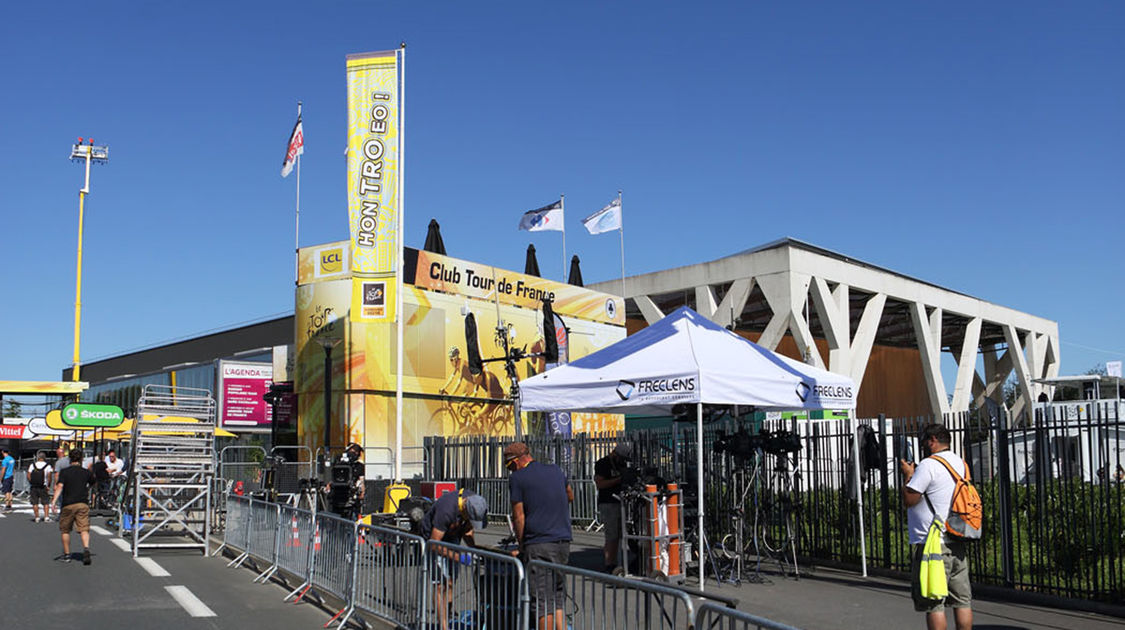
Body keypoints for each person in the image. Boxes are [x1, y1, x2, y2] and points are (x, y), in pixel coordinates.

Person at [899, 424, 972, 630]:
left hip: (932, 543)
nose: (923, 445)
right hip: (956, 537)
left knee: (934, 602)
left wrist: (908, 474)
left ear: (932, 440)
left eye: (924, 441)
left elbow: (910, 499)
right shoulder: (960, 463)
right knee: (962, 600)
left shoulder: (929, 465)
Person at [506, 442, 574, 630]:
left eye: (510, 466)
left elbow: (519, 516)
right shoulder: (555, 470)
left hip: (539, 543)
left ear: (517, 460)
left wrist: (521, 545)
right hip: (563, 540)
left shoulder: (518, 478)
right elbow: (570, 495)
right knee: (558, 595)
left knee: (542, 601)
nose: (510, 471)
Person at [421, 488, 489, 629]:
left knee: (451, 582)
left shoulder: (474, 501)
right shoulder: (446, 510)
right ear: (464, 508)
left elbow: (468, 529)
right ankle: (443, 626)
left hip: (452, 538)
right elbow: (434, 544)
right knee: (441, 585)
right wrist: (459, 557)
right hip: (433, 540)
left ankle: (449, 616)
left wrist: (474, 550)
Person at [593, 441, 634, 572]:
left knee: (622, 533)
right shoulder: (602, 464)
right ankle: (609, 563)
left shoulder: (620, 464)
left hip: (620, 502)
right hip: (608, 502)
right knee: (612, 534)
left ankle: (618, 560)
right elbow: (600, 484)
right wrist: (619, 480)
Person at [52, 449, 94, 565]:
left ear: (70, 458)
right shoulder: (86, 472)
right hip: (82, 502)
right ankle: (86, 548)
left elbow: (60, 486)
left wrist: (54, 501)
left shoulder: (65, 472)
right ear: (81, 459)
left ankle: (67, 555)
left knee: (65, 529)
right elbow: (92, 483)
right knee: (84, 528)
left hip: (68, 503)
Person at [27, 453, 53, 522]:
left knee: (35, 502)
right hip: (43, 486)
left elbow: (28, 475)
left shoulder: (32, 465)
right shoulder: (48, 466)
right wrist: (48, 486)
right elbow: (49, 477)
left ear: (38, 457)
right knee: (46, 502)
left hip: (34, 486)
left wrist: (31, 482)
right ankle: (46, 517)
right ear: (44, 458)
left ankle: (37, 517)